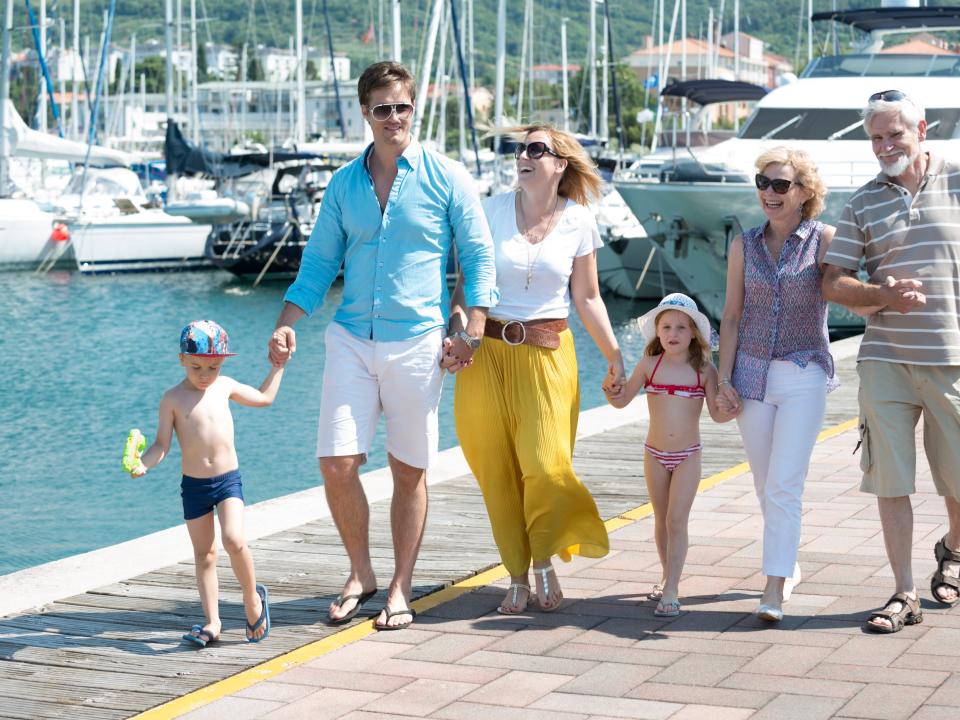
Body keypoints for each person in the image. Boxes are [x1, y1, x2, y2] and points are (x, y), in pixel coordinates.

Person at [268, 61, 497, 631]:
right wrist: (287, 320)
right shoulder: (345, 184)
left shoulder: (447, 177)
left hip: (418, 341)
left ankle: (400, 587)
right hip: (350, 337)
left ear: (412, 110)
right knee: (337, 462)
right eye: (381, 109)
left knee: (408, 469)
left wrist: (471, 332)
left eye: (402, 107)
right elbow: (319, 262)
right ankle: (361, 572)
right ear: (365, 113)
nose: (393, 118)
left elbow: (478, 257)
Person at [445, 124, 624, 615]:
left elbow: (587, 298)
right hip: (487, 355)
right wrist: (459, 332)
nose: (522, 155)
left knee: (546, 466)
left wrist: (613, 355)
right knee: (496, 470)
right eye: (519, 148)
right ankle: (518, 575)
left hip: (548, 354)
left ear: (560, 163)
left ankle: (543, 556)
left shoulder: (580, 220)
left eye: (535, 149)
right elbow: (464, 288)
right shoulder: (489, 211)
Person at [822, 90, 960, 633]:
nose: (884, 145)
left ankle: (952, 547)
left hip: (952, 359)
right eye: (875, 136)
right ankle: (903, 594)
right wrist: (882, 293)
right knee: (889, 479)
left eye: (893, 134)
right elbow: (832, 282)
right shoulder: (861, 203)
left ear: (921, 129)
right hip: (884, 361)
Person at [716, 147, 845, 622]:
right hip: (750, 375)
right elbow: (731, 316)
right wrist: (723, 380)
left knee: (785, 484)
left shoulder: (824, 239)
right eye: (763, 183)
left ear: (805, 192)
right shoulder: (743, 244)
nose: (768, 193)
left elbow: (844, 289)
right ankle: (787, 562)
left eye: (780, 185)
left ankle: (772, 587)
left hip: (803, 372)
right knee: (763, 482)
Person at [129, 320, 284, 647]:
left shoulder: (224, 386)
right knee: (205, 554)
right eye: (196, 366)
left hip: (228, 481)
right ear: (181, 359)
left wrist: (278, 367)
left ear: (223, 362)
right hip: (195, 486)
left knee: (234, 539)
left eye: (212, 366)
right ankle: (213, 622)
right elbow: (161, 445)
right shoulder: (172, 399)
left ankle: (252, 599)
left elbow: (264, 398)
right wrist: (143, 463)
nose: (204, 374)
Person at [605, 293, 732, 616]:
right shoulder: (650, 364)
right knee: (661, 519)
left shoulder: (704, 370)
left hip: (688, 455)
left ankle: (672, 590)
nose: (672, 334)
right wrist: (611, 389)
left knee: (678, 519)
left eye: (680, 327)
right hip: (655, 454)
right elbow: (621, 402)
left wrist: (732, 409)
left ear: (694, 334)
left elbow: (717, 417)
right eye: (666, 327)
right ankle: (666, 576)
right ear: (657, 332)